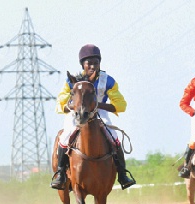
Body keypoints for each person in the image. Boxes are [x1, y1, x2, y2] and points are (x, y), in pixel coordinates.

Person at [50, 44, 136, 190]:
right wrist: (73, 107)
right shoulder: (72, 81)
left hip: (99, 112)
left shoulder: (107, 81)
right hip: (76, 113)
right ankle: (60, 173)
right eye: (89, 63)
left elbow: (121, 105)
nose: (93, 66)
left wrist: (97, 106)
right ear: (82, 64)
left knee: (114, 137)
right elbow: (60, 104)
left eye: (96, 63)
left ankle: (122, 173)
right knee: (65, 137)